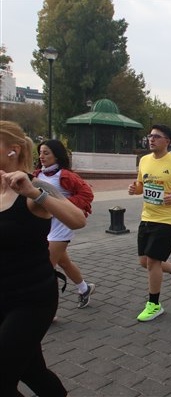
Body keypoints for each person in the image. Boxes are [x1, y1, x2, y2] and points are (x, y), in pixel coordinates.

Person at [0, 120, 86, 396]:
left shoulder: (34, 186)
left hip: (31, 299)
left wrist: (34, 193)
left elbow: (77, 219)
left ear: (13, 150)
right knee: (32, 370)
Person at [128, 124, 171, 321]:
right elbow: (141, 185)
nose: (151, 139)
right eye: (150, 136)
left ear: (167, 141)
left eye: (156, 136)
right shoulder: (144, 160)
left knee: (153, 261)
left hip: (168, 220)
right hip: (147, 217)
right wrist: (135, 189)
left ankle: (154, 305)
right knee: (144, 261)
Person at [33, 140, 95, 309]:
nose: (42, 156)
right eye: (40, 153)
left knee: (46, 268)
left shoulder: (66, 175)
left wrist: (62, 206)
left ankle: (48, 310)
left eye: (46, 153)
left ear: (57, 155)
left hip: (62, 225)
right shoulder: (36, 175)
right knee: (64, 262)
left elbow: (87, 195)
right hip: (45, 226)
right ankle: (84, 288)